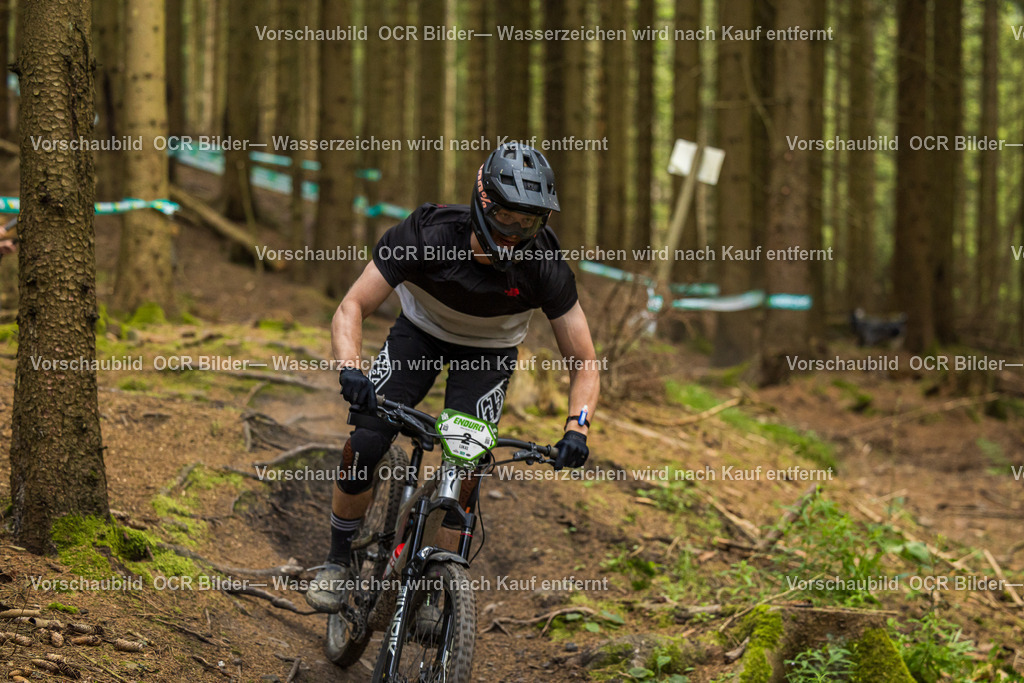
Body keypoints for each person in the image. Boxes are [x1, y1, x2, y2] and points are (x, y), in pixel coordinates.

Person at [306, 143, 600, 613]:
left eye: (528, 223)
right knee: (365, 442)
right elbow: (352, 306)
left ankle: (432, 587)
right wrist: (350, 370)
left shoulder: (544, 265)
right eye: (506, 218)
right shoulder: (427, 233)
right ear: (482, 203)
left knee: (466, 468)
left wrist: (577, 428)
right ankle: (337, 561)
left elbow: (583, 359)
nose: (514, 234)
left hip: (488, 354)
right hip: (418, 336)